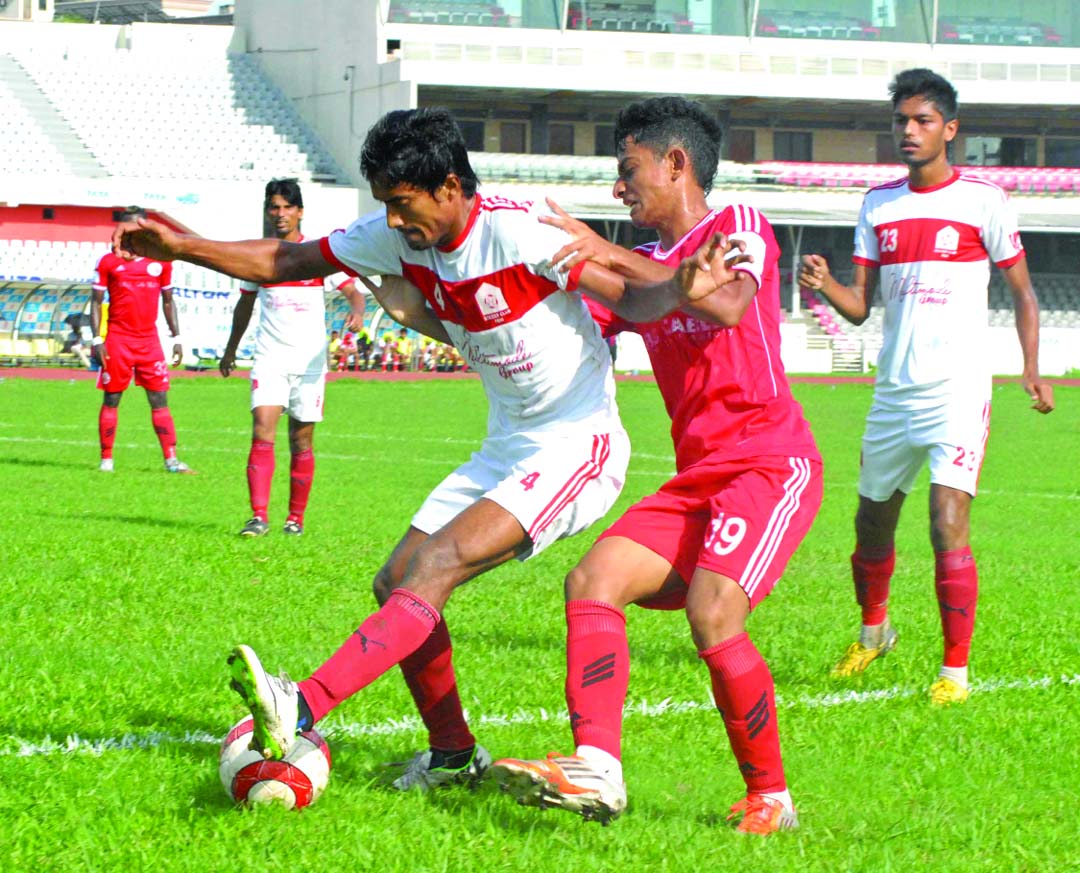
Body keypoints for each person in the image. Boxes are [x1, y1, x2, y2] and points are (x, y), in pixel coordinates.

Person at [112, 107, 749, 793]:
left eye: (400, 202)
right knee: (399, 579)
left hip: (578, 442)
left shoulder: (518, 227)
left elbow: (629, 296)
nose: (390, 220)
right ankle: (452, 756)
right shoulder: (401, 237)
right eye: (384, 204)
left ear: (449, 186)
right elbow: (287, 258)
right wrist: (185, 248)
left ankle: (298, 705)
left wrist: (681, 287)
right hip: (506, 444)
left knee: (436, 565)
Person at [490, 96, 823, 835]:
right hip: (698, 479)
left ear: (677, 163)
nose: (619, 188)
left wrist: (598, 249)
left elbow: (729, 302)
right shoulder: (649, 276)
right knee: (593, 578)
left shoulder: (735, 227)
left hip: (768, 465)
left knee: (712, 612)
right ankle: (597, 768)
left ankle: (771, 795)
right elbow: (610, 306)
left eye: (628, 169)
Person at [796, 69, 1055, 705]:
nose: (909, 132)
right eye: (901, 122)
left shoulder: (983, 200)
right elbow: (859, 308)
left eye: (922, 121)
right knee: (871, 525)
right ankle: (874, 633)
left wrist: (1030, 366)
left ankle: (954, 674)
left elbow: (1021, 291)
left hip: (958, 389)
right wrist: (824, 282)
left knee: (946, 523)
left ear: (950, 128)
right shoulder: (878, 204)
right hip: (894, 392)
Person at [220, 178, 366, 537]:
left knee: (301, 440)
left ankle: (295, 520)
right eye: (275, 207)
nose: (281, 214)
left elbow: (353, 291)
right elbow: (245, 304)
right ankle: (258, 516)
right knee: (261, 430)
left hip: (310, 364)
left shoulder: (314, 256)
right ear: (268, 212)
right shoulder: (262, 256)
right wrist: (230, 348)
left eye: (288, 207)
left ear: (300, 212)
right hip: (270, 358)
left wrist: (358, 312)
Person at [91, 207, 194, 474]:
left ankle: (171, 460)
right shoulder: (108, 263)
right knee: (112, 400)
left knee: (160, 400)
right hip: (118, 341)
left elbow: (168, 301)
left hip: (149, 343)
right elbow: (95, 302)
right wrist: (96, 339)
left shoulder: (161, 264)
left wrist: (177, 338)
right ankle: (106, 460)